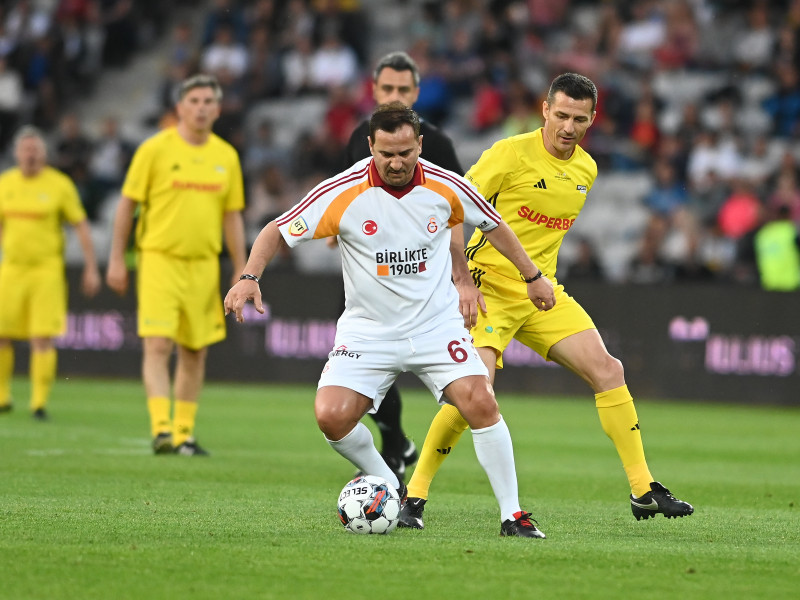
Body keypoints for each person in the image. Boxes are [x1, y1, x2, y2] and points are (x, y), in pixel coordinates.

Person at [225, 102, 555, 537]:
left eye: (405, 153)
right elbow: (277, 229)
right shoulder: (342, 190)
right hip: (369, 331)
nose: (396, 163)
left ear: (419, 144)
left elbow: (494, 225)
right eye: (386, 154)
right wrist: (249, 277)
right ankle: (389, 482)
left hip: (435, 326)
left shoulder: (446, 185)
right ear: (370, 146)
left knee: (481, 401)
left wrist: (532, 276)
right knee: (331, 416)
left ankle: (512, 515)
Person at [399, 73, 695, 530]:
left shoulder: (586, 170)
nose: (568, 127)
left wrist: (537, 279)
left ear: (592, 119)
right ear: (545, 110)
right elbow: (453, 207)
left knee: (609, 370)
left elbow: (541, 238)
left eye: (579, 119)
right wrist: (462, 280)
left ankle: (643, 490)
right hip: (489, 287)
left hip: (541, 292)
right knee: (474, 392)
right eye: (561, 115)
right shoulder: (508, 153)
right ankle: (414, 497)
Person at [106, 74, 247, 456]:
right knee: (157, 343)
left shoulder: (226, 156)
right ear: (180, 108)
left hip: (203, 264)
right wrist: (116, 258)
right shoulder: (154, 150)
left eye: (208, 102)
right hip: (159, 259)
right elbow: (127, 205)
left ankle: (184, 433)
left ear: (218, 110)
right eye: (194, 101)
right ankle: (161, 429)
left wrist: (242, 267)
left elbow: (232, 215)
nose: (201, 108)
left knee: (195, 350)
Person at [342, 50, 465, 481]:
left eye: (403, 88)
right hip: (369, 270)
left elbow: (458, 208)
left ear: (416, 92)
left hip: (424, 275)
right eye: (387, 88)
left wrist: (461, 273)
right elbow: (342, 197)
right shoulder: (359, 136)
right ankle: (395, 441)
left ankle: (399, 450)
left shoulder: (439, 144)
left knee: (446, 374)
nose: (394, 94)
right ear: (374, 90)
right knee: (365, 360)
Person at [0, 126, 101, 419]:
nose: (30, 154)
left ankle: (38, 403)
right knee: (2, 334)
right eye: (26, 149)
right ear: (17, 153)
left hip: (46, 270)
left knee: (42, 337)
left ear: (44, 154)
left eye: (35, 149)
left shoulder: (59, 185)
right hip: (12, 268)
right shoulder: (5, 184)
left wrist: (91, 267)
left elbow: (80, 224)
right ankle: (3, 396)